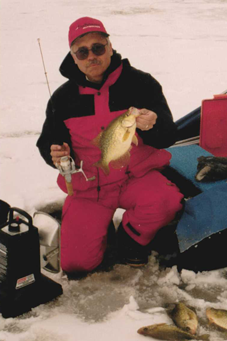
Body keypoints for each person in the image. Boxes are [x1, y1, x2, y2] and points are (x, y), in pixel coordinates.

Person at [37, 17, 184, 275]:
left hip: (136, 177)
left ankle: (130, 240)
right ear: (73, 57)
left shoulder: (141, 83)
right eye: (82, 52)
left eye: (98, 48)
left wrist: (153, 125)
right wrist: (55, 155)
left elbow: (168, 135)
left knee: (166, 202)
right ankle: (99, 228)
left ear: (110, 46)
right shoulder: (63, 98)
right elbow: (48, 141)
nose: (91, 56)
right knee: (77, 265)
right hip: (89, 186)